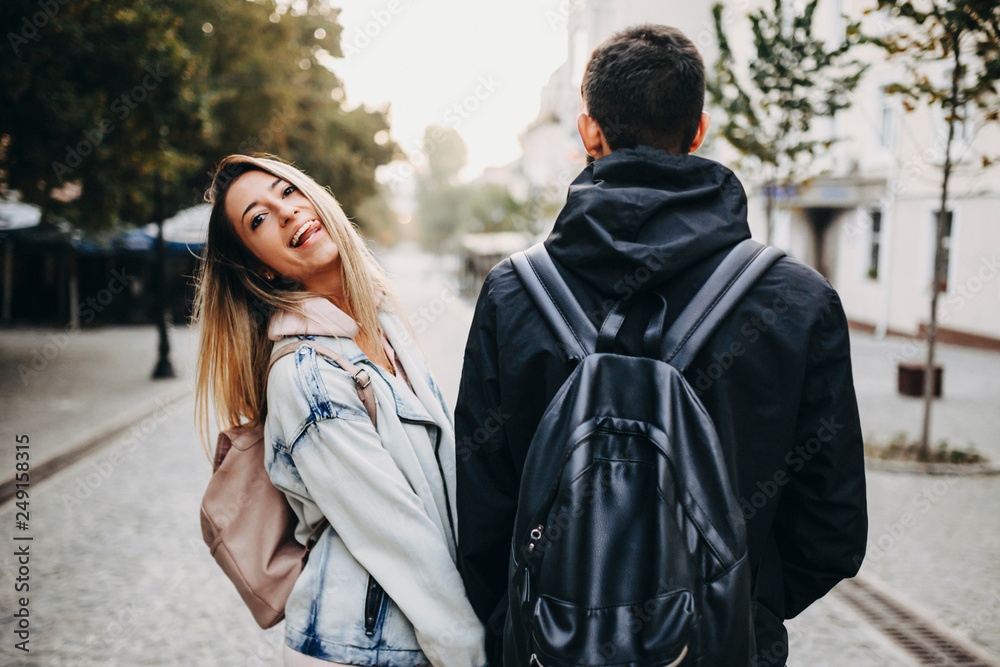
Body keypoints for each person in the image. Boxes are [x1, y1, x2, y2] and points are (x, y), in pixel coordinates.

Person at [455, 25, 867, 667]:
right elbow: (832, 531)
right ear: (698, 131)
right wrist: (740, 607)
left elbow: (482, 515)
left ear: (589, 132)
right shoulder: (798, 299)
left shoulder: (513, 294)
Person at [193, 154, 486, 667]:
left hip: (412, 636)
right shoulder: (307, 376)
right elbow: (398, 536)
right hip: (361, 648)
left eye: (286, 192)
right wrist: (473, 652)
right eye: (257, 220)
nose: (284, 213)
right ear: (260, 264)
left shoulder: (382, 318)